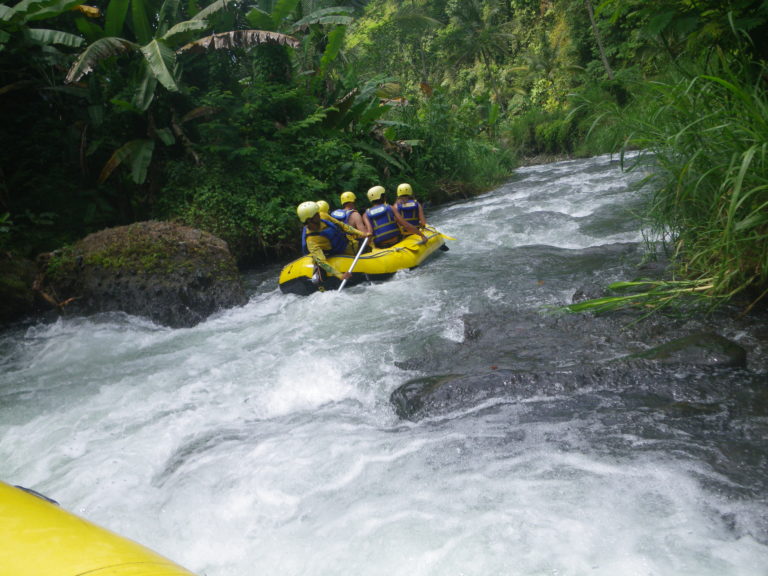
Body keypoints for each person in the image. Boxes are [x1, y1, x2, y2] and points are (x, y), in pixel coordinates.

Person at [297, 201, 370, 282]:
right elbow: (322, 262)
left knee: (367, 246)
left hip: (349, 245)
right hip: (338, 254)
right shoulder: (311, 241)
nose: (319, 214)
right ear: (310, 220)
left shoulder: (323, 216)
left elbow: (342, 226)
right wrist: (340, 275)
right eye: (316, 214)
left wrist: (361, 233)